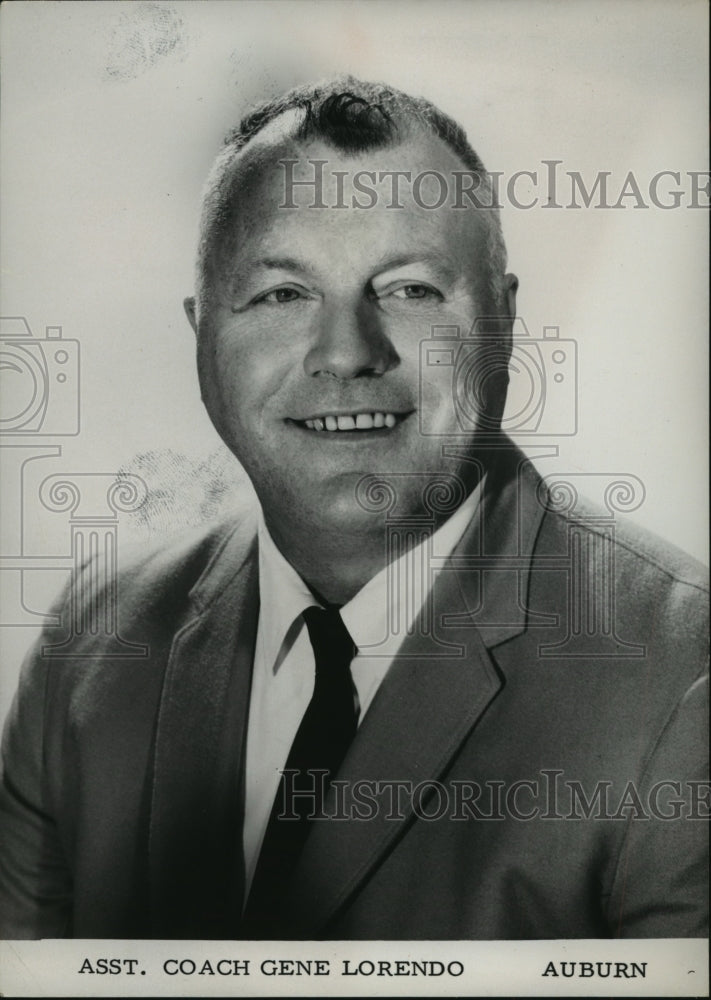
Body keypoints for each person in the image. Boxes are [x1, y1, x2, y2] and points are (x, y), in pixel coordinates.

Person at [0, 78, 707, 941]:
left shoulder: (680, 674)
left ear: (505, 321)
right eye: (281, 295)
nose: (345, 354)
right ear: (200, 334)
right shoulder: (95, 640)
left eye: (409, 290)